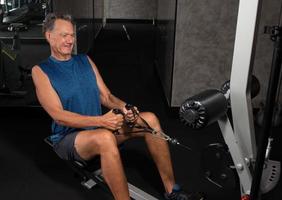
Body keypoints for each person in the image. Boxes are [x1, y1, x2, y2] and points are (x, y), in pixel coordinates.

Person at [32, 13, 203, 200]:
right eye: (64, 35)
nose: (70, 40)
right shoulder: (41, 70)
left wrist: (126, 107)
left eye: (72, 35)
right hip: (68, 138)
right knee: (105, 137)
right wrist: (101, 120)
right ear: (49, 36)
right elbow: (58, 115)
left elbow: (106, 96)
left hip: (97, 128)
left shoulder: (84, 61)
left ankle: (172, 191)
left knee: (150, 119)